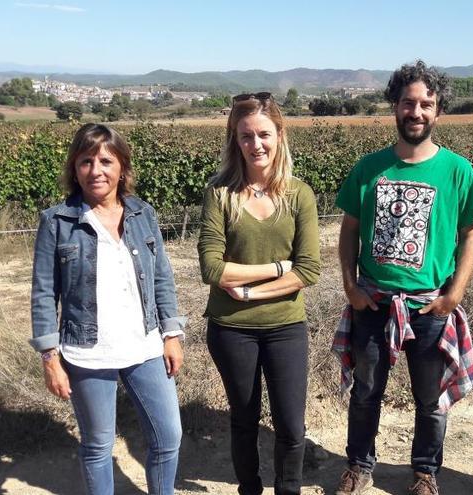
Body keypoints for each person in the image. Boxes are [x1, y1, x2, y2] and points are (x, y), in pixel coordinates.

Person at [332, 61, 473, 495]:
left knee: (430, 400)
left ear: (438, 111)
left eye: (426, 104)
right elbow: (347, 231)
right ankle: (359, 466)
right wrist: (350, 285)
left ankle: (424, 471)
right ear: (394, 107)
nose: (416, 112)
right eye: (408, 103)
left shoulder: (458, 171)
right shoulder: (369, 168)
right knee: (365, 394)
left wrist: (454, 295)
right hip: (374, 303)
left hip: (430, 307)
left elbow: (471, 234)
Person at [30, 123, 186, 495]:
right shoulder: (57, 222)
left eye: (105, 160)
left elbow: (162, 277)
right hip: (88, 351)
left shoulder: (142, 213)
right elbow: (43, 293)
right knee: (99, 445)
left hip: (145, 345)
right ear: (74, 168)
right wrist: (50, 358)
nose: (95, 170)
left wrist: (172, 333)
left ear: (121, 166)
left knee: (168, 436)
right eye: (86, 161)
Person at [197, 92, 321, 495]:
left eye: (264, 134)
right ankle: (248, 489)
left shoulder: (299, 195)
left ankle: (289, 490)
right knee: (244, 419)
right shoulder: (219, 193)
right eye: (246, 135)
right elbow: (212, 268)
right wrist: (277, 269)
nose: (256, 144)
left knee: (290, 423)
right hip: (231, 329)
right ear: (235, 139)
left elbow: (309, 270)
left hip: (285, 326)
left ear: (280, 135)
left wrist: (247, 292)